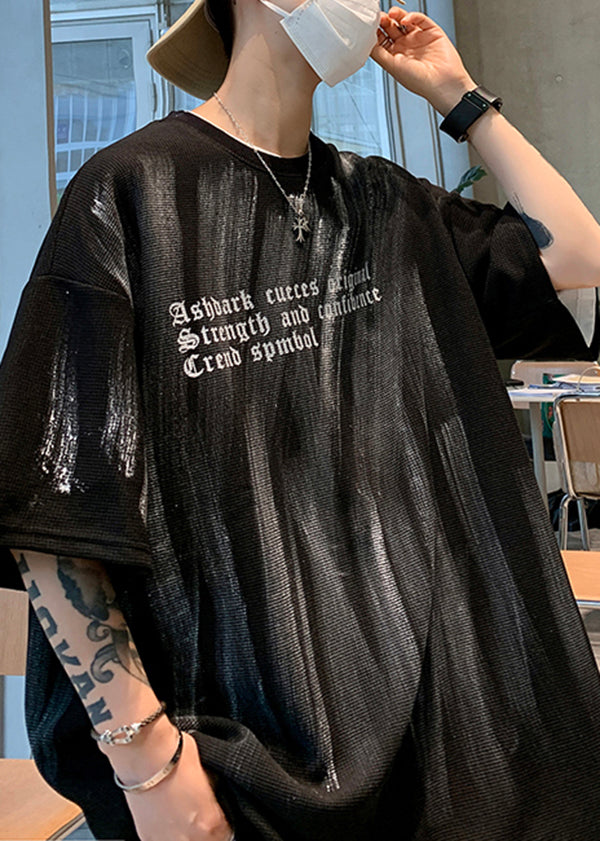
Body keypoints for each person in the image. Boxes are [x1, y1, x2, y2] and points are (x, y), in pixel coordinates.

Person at [1, 0, 600, 839]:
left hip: (446, 745)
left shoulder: (383, 203)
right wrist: (146, 762)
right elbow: (52, 504)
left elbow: (577, 256)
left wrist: (460, 96)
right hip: (243, 769)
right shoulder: (133, 192)